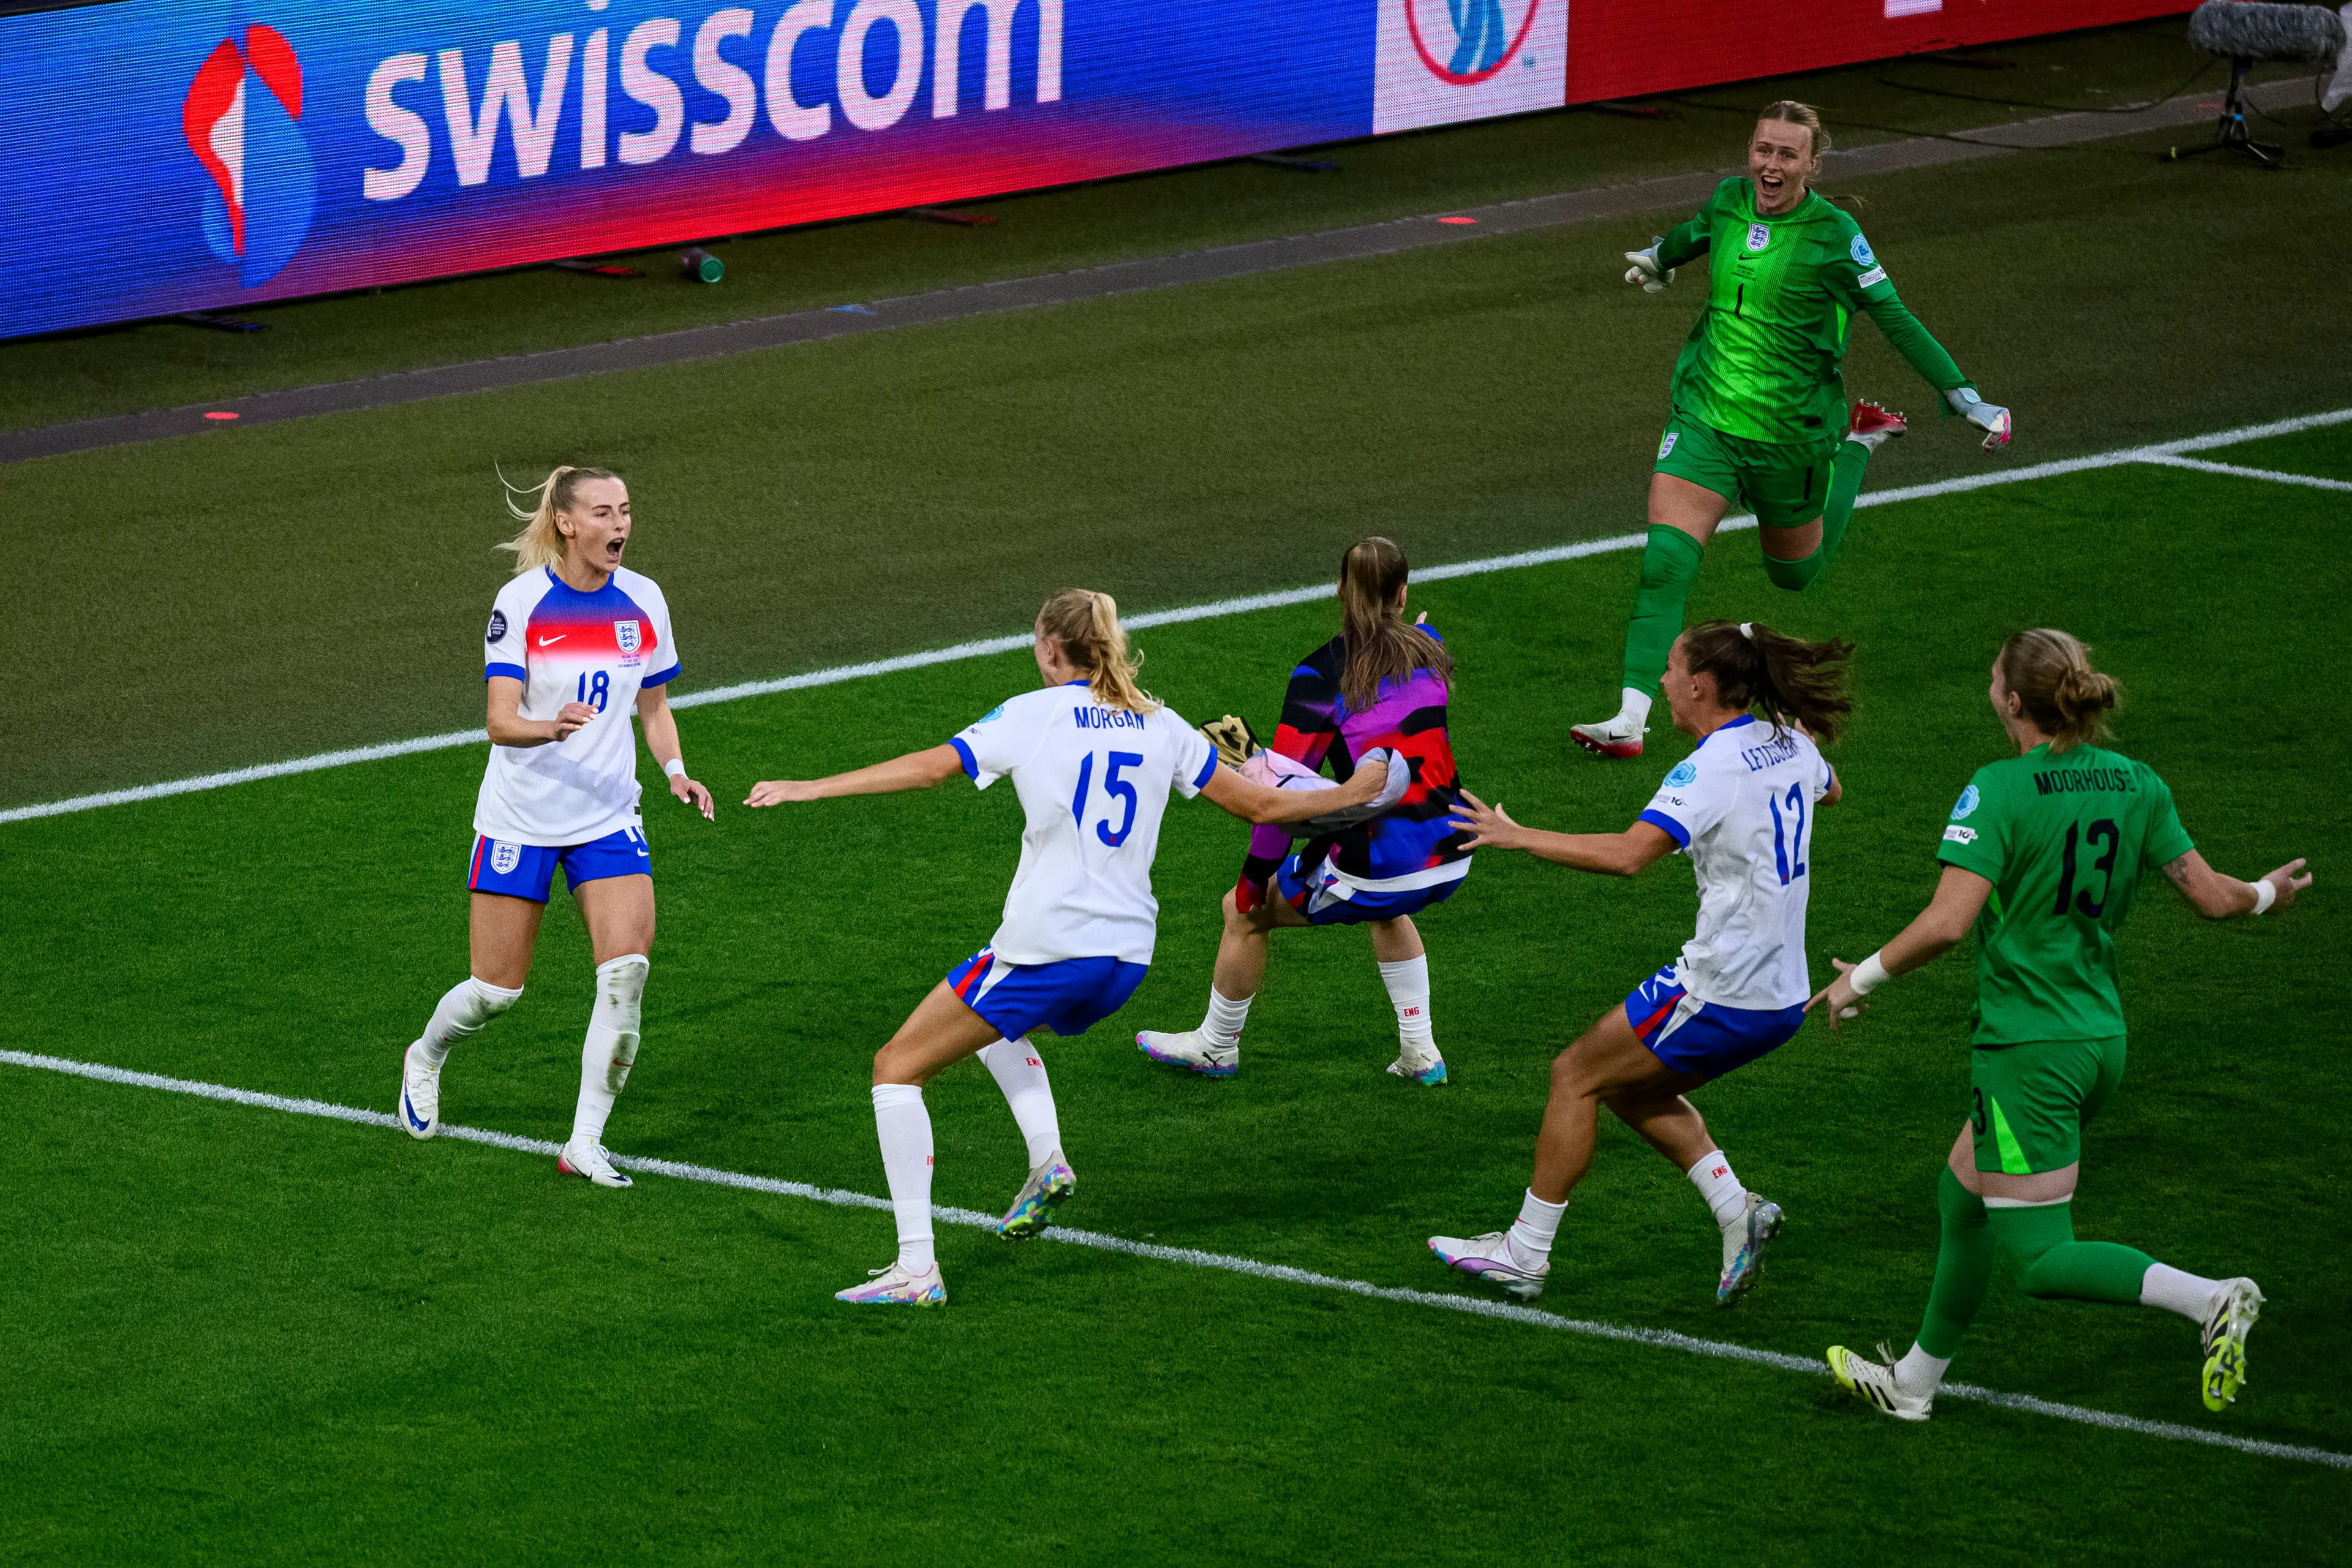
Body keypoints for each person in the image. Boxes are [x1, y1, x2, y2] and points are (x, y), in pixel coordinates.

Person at [745, 588, 1389, 1305]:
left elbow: (932, 768)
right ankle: (1046, 1159)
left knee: (896, 1067)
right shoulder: (1161, 723)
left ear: (1051, 648)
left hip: (1050, 943)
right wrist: (1353, 789)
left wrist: (808, 787)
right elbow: (1262, 804)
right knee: (988, 1022)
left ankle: (916, 1270)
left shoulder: (1033, 714)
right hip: (1126, 959)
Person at [1812, 630, 2310, 1420]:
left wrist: (1856, 980)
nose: (1988, 677)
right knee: (1964, 1195)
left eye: (1994, 671)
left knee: (2041, 1258)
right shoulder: (2136, 783)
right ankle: (1912, 1384)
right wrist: (2267, 893)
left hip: (2027, 1051)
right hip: (2096, 1039)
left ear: (2015, 700)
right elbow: (2212, 896)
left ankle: (2211, 1300)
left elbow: (1947, 924)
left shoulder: (1998, 790)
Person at [1571, 100, 2013, 762]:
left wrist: (1965, 396)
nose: (1769, 165)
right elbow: (1698, 232)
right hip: (1706, 422)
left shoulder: (1835, 235)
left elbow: (1893, 316)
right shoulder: (1730, 200)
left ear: (1812, 163)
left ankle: (1859, 444)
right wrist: (1660, 259)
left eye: (1785, 155)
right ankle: (1632, 717)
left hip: (1795, 438)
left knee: (1794, 577)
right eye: (1762, 149)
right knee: (1665, 562)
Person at [1429, 621, 1850, 1303]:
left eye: (1671, 668)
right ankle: (1734, 1208)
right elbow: (1830, 790)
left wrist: (1517, 835)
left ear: (1700, 685)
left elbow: (1630, 855)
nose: (1661, 681)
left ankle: (1525, 1253)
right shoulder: (1788, 741)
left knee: (1574, 1075)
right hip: (1780, 992)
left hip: (1722, 987)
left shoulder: (1711, 766)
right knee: (1631, 1085)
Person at [397, 466, 715, 1189]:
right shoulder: (523, 603)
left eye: (627, 510)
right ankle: (426, 1054)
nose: (620, 525)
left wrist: (674, 770)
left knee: (625, 973)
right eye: (603, 512)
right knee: (495, 991)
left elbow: (654, 706)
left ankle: (585, 1141)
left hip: (608, 814)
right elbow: (499, 719)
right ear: (567, 523)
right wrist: (551, 727)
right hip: (522, 817)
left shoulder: (645, 599)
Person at [1136, 537, 1469, 1085]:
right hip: (1454, 852)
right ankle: (1421, 1052)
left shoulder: (1319, 678)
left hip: (1382, 866)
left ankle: (1217, 1047)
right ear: (1404, 595)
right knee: (1387, 908)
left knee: (1242, 913)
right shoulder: (1431, 649)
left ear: (1339, 589)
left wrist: (1253, 878)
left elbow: (1279, 799)